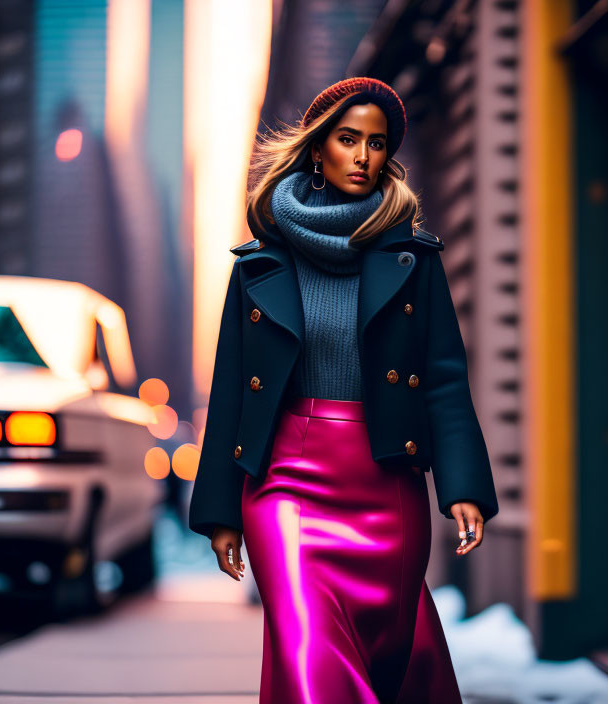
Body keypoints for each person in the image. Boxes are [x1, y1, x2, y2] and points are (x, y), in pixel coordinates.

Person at [188, 77, 498, 704]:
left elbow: (443, 378)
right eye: (348, 139)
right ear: (317, 148)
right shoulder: (256, 265)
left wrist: (463, 486)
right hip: (285, 486)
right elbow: (230, 391)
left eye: (377, 144)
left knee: (389, 657)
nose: (362, 156)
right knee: (313, 663)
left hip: (388, 482)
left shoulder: (415, 259)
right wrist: (221, 512)